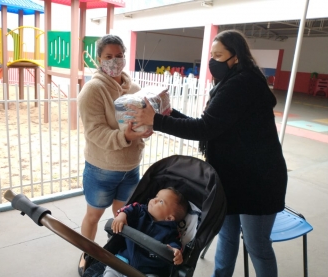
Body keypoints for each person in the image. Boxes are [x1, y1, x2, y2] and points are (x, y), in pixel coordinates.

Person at [127, 30, 288, 277]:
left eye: (218, 55)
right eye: (211, 54)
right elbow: (210, 126)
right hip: (232, 178)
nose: (212, 60)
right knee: (227, 237)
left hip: (259, 182)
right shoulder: (230, 82)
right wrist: (169, 114)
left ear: (235, 57)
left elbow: (205, 128)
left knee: (257, 246)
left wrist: (157, 121)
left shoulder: (242, 84)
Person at [77, 34, 153, 276]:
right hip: (102, 168)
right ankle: (86, 253)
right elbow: (95, 132)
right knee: (93, 215)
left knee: (124, 218)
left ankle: (119, 253)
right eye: (108, 57)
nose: (114, 61)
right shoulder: (92, 90)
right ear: (99, 59)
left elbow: (139, 122)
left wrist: (144, 130)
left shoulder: (135, 89)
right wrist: (127, 137)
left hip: (130, 168)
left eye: (119, 56)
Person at [103, 187, 189, 277]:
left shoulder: (170, 232)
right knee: (111, 272)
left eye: (161, 202)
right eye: (156, 197)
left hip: (148, 271)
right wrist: (121, 216)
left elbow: (175, 244)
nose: (154, 200)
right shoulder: (140, 211)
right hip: (123, 260)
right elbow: (129, 208)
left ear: (169, 218)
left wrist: (176, 252)